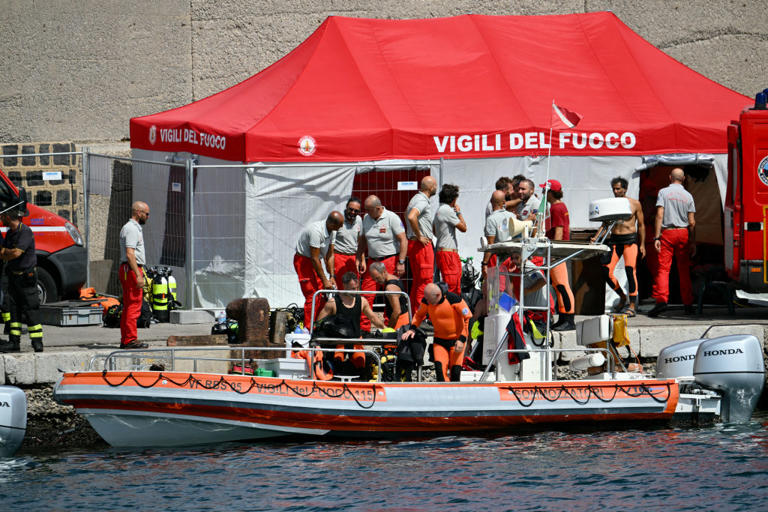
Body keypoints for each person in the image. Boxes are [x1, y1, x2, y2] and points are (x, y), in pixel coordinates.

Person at [591, 177, 645, 316]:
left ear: (625, 189)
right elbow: (605, 224)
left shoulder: (634, 203)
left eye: (618, 188)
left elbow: (642, 225)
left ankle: (632, 305)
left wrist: (643, 244)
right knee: (606, 271)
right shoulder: (611, 204)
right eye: (614, 189)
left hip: (630, 240)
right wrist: (596, 238)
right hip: (615, 240)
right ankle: (622, 296)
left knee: (629, 271)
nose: (615, 191)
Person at [315, 271, 386, 375]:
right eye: (352, 288)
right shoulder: (333, 303)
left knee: (361, 364)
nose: (356, 291)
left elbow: (373, 318)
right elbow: (318, 322)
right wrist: (317, 339)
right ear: (344, 286)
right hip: (338, 341)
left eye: (357, 288)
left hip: (356, 339)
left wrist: (385, 327)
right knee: (337, 363)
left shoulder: (362, 301)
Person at [648, 168, 696, 317]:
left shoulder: (663, 192)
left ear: (670, 177)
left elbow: (659, 214)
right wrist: (693, 241)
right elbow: (692, 222)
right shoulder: (688, 196)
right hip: (683, 233)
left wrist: (656, 237)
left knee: (663, 269)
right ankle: (688, 304)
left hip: (667, 232)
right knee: (684, 270)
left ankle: (661, 301)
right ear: (683, 179)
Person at [402, 283, 472, 382]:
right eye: (426, 298)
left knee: (455, 374)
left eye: (429, 299)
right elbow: (419, 315)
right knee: (440, 372)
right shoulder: (426, 301)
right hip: (439, 342)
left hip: (456, 341)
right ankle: (443, 395)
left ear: (438, 295)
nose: (427, 301)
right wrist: (412, 328)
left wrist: (462, 339)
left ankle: (455, 395)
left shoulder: (454, 299)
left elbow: (468, 318)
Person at [357, 195, 407, 330]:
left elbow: (403, 239)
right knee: (366, 296)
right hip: (373, 262)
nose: (366, 212)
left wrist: (401, 261)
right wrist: (359, 257)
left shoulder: (392, 218)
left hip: (390, 260)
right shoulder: (366, 219)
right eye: (365, 209)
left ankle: (390, 327)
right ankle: (364, 328)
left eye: (368, 209)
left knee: (390, 296)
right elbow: (362, 240)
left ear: (378, 208)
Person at [0, 204, 43, 353]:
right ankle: (14, 342)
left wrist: (7, 252)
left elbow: (16, 254)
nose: (0, 219)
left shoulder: (24, 231)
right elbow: (3, 253)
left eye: (1, 216)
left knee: (31, 309)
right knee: (14, 311)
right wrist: (7, 252)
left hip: (26, 277)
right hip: (13, 276)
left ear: (7, 217)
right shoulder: (10, 233)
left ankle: (37, 342)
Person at [294, 211, 344, 327]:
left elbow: (330, 255)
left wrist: (331, 276)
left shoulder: (333, 231)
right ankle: (308, 329)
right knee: (312, 294)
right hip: (304, 261)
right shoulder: (316, 231)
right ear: (331, 224)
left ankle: (318, 325)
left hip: (315, 261)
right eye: (339, 225)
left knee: (322, 295)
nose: (341, 228)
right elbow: (314, 259)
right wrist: (325, 280)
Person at [117, 201, 150, 349]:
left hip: (128, 269)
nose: (147, 217)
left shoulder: (132, 228)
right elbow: (130, 254)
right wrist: (138, 274)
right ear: (138, 212)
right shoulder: (131, 229)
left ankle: (126, 339)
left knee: (129, 305)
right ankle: (130, 339)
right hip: (131, 269)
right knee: (134, 305)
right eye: (146, 214)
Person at [543, 180, 575, 331]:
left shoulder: (556, 208)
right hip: (559, 251)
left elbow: (559, 231)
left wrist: (554, 252)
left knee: (562, 286)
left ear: (550, 192)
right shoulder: (559, 206)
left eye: (545, 191)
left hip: (558, 252)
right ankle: (563, 317)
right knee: (558, 286)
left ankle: (569, 319)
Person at [481, 190, 534, 279]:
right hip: (512, 259)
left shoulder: (491, 219)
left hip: (498, 260)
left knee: (495, 290)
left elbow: (490, 244)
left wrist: (484, 263)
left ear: (491, 202)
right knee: (509, 289)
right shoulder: (512, 216)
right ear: (504, 202)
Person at [405, 176, 438, 307]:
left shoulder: (414, 199)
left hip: (414, 244)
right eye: (435, 185)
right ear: (430, 188)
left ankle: (414, 315)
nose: (436, 187)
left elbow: (406, 214)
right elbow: (411, 216)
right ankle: (421, 315)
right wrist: (419, 235)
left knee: (418, 282)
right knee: (425, 281)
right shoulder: (422, 201)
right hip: (421, 245)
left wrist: (412, 233)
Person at [433, 184, 467, 294]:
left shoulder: (439, 210)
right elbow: (463, 228)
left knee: (454, 284)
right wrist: (458, 212)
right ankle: (449, 309)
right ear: (452, 199)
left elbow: (434, 230)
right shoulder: (447, 210)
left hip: (443, 250)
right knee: (452, 285)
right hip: (448, 252)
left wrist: (442, 235)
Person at [368, 261, 410, 329]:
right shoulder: (395, 278)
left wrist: (389, 328)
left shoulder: (390, 288)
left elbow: (397, 311)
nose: (376, 281)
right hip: (404, 320)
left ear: (384, 272)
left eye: (377, 278)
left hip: (399, 323)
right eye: (374, 279)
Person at [333, 197, 363, 289]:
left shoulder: (359, 220)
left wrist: (362, 260)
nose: (353, 212)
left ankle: (355, 303)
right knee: (342, 286)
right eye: (351, 209)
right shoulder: (338, 219)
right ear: (346, 207)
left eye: (356, 211)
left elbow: (360, 241)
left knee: (355, 285)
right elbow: (330, 243)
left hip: (354, 258)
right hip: (339, 256)